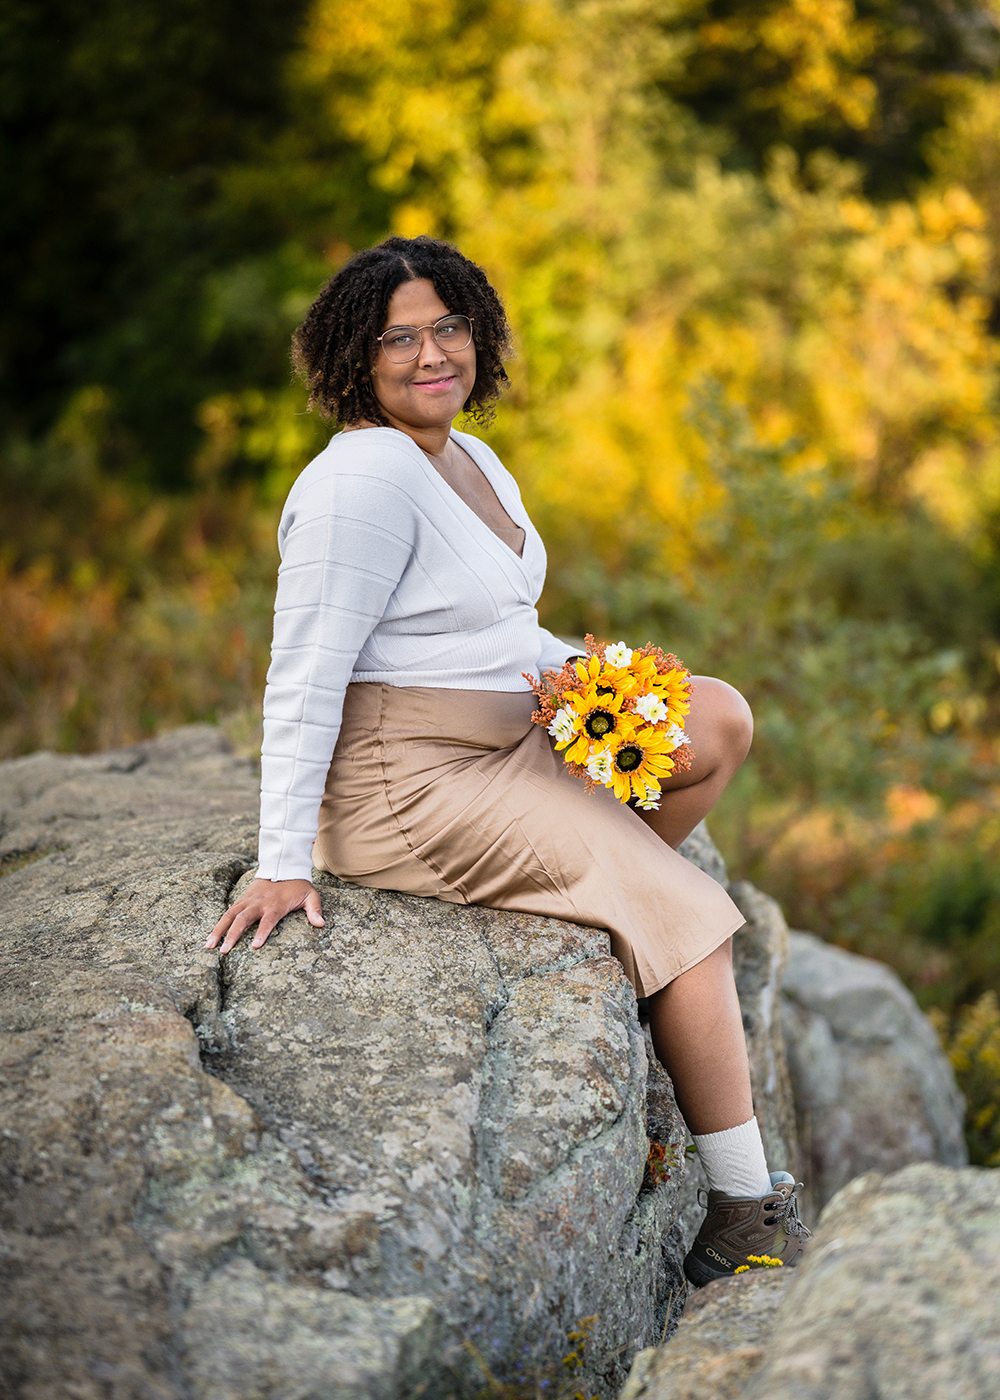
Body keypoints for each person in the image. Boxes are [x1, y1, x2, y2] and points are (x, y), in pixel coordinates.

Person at [206, 235, 809, 1285]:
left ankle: (618, 906)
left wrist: (583, 671)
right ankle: (746, 1208)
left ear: (478, 335)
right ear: (356, 354)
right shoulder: (360, 484)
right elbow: (302, 675)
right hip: (412, 781)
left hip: (511, 725)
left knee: (713, 719)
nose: (431, 352)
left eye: (448, 326)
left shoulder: (468, 457)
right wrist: (282, 857)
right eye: (399, 336)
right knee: (688, 914)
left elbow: (494, 620)